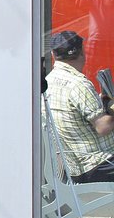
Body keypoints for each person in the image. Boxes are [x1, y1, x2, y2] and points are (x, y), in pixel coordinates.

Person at [44, 30, 114, 183]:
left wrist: (100, 102)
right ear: (82, 52)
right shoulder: (79, 84)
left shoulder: (49, 81)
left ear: (54, 55)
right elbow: (103, 127)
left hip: (75, 165)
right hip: (99, 164)